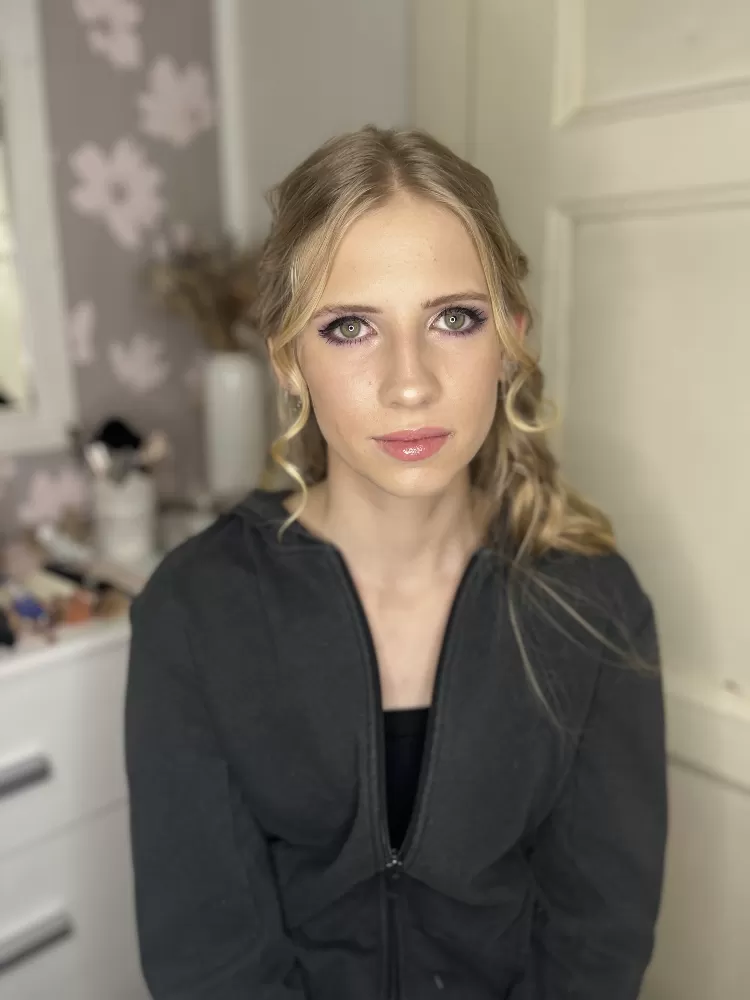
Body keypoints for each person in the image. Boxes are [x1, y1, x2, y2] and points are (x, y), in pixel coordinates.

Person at [125, 126, 667, 1000]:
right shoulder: (193, 611)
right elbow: (207, 960)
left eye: (455, 319)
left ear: (510, 341)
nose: (409, 382)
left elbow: (597, 941)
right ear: (289, 361)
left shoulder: (595, 603)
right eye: (349, 327)